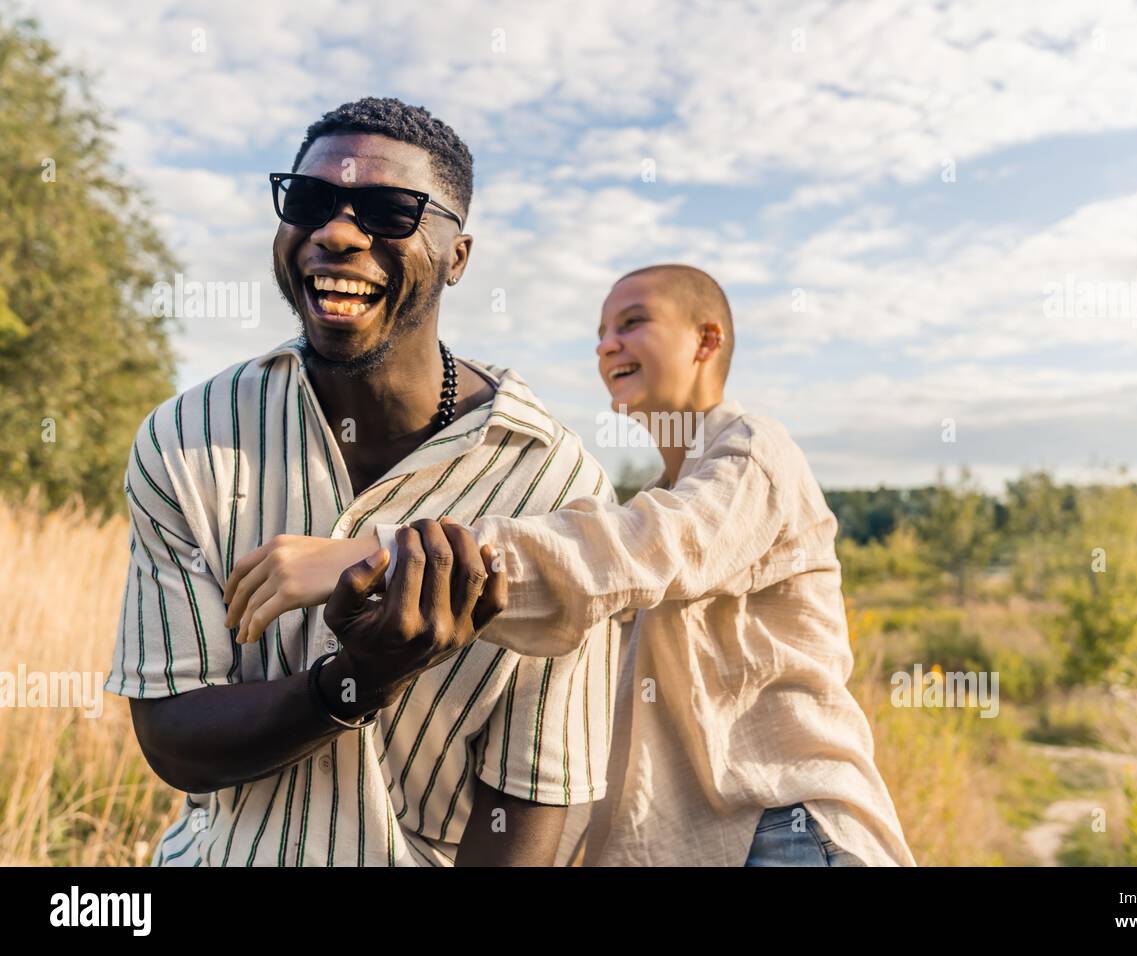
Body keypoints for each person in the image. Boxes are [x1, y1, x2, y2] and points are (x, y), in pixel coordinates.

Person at [229, 263, 916, 867]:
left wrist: (375, 552)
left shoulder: (755, 456)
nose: (607, 343)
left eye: (634, 322)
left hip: (784, 831)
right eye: (599, 331)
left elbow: (638, 550)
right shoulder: (651, 500)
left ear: (707, 341)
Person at [104, 96, 618, 867]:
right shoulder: (190, 438)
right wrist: (359, 680)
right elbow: (174, 739)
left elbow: (536, 794)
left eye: (387, 211)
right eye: (310, 202)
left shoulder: (554, 483)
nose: (337, 233)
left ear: (458, 256)